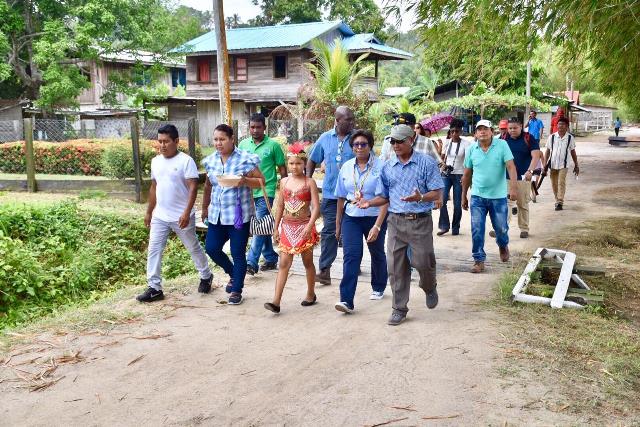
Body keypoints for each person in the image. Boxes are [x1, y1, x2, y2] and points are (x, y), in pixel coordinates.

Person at [357, 124, 444, 326]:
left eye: (399, 141)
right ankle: (399, 308)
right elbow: (383, 196)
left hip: (420, 221)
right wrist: (368, 202)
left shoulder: (426, 163)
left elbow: (437, 193)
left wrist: (420, 197)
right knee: (395, 268)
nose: (395, 145)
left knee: (423, 262)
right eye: (392, 142)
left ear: (411, 140)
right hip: (395, 221)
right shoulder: (387, 167)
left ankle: (429, 285)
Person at [137, 124, 213, 302]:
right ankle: (154, 288)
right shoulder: (156, 161)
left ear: (176, 141)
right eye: (160, 142)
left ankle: (206, 275)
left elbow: (193, 188)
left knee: (192, 246)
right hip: (160, 216)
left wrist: (187, 213)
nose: (162, 145)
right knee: (154, 249)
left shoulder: (186, 161)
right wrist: (149, 212)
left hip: (181, 216)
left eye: (166, 142)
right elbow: (154, 187)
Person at [201, 124, 265, 305]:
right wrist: (205, 207)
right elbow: (208, 185)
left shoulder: (245, 159)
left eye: (222, 139)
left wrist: (244, 181)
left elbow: (261, 181)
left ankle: (237, 289)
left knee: (238, 252)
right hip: (217, 215)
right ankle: (233, 273)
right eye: (215, 139)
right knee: (212, 248)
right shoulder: (211, 161)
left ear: (232, 139)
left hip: (239, 216)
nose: (218, 143)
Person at [334, 129, 388, 313]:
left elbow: (385, 199)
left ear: (370, 145)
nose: (359, 147)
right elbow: (341, 197)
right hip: (352, 217)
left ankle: (379, 286)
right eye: (356, 144)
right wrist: (338, 224)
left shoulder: (381, 167)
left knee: (377, 252)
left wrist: (378, 226)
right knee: (351, 256)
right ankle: (346, 300)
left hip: (374, 215)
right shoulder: (347, 167)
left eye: (363, 144)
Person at [265, 143, 320, 313]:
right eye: (291, 163)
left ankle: (311, 293)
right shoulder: (284, 182)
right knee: (283, 263)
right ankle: (276, 301)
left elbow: (316, 208)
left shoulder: (309, 182)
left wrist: (309, 227)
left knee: (307, 262)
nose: (294, 166)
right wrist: (275, 228)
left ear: (304, 164)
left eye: (298, 163)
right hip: (287, 227)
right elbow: (280, 206)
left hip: (304, 226)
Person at [307, 106, 356, 286]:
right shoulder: (325, 138)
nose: (352, 123)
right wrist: (307, 182)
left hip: (353, 195)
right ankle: (325, 270)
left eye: (353, 119)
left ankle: (353, 265)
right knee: (329, 232)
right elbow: (312, 159)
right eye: (348, 120)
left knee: (351, 231)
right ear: (337, 120)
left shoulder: (357, 139)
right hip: (330, 193)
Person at [461, 120, 518, 273]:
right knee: (477, 228)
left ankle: (502, 244)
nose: (482, 132)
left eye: (485, 129)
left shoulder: (502, 145)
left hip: (498, 197)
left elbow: (511, 167)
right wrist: (463, 196)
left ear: (492, 131)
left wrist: (513, 188)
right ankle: (478, 259)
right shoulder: (472, 149)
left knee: (501, 228)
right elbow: (467, 174)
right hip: (478, 197)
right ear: (475, 133)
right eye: (479, 130)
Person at [238, 113, 287, 275]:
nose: (255, 130)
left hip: (267, 191)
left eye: (258, 127)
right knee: (264, 224)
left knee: (259, 225)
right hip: (247, 192)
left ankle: (251, 262)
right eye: (252, 127)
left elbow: (282, 169)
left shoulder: (273, 146)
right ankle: (271, 258)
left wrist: (286, 190)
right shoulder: (243, 145)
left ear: (264, 128)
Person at [501, 117, 541, 238]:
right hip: (506, 177)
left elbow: (536, 156)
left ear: (521, 127)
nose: (512, 130)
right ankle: (502, 227)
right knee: (506, 203)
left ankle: (524, 228)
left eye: (515, 128)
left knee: (522, 203)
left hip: (524, 177)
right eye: (510, 128)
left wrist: (530, 170)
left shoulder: (529, 138)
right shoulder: (503, 139)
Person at [437, 118, 471, 236]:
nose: (454, 134)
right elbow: (441, 158)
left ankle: (455, 227)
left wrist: (466, 177)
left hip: (459, 175)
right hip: (446, 174)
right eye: (452, 131)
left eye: (457, 131)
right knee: (442, 200)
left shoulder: (467, 144)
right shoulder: (447, 142)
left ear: (461, 131)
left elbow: (468, 162)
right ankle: (444, 226)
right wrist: (443, 163)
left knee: (457, 203)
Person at [543, 117, 579, 211]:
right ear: (557, 125)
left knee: (561, 182)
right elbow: (547, 151)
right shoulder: (552, 137)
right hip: (553, 164)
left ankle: (560, 201)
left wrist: (576, 164)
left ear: (567, 126)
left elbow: (573, 151)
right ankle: (557, 199)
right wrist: (544, 164)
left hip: (564, 164)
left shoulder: (570, 138)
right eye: (559, 124)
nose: (561, 126)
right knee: (554, 183)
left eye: (563, 124)